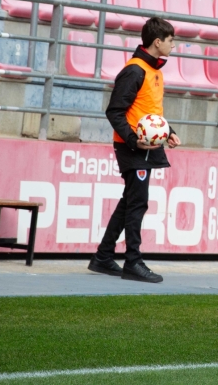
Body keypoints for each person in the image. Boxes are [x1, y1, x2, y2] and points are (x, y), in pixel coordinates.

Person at [88, 17, 181, 283]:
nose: (174, 45)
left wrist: (169, 132)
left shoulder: (156, 71)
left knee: (129, 200)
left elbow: (151, 112)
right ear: (157, 42)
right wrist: (132, 140)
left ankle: (103, 257)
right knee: (137, 203)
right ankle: (133, 261)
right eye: (171, 40)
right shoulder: (134, 70)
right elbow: (114, 111)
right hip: (133, 146)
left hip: (147, 146)